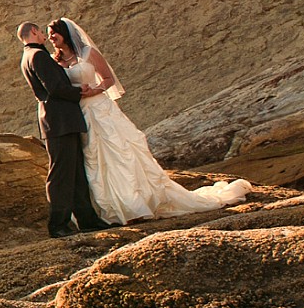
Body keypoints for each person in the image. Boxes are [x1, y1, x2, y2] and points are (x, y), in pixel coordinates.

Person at [45, 18, 250, 223]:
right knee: (93, 158)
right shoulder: (55, 61)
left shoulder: (89, 53)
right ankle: (104, 207)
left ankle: (134, 203)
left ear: (66, 33)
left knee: (118, 152)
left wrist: (94, 92)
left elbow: (108, 79)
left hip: (99, 109)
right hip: (78, 113)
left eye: (54, 33)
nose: (51, 38)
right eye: (49, 34)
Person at [16, 21, 113, 237]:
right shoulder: (38, 56)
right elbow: (55, 88)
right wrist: (79, 90)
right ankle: (58, 224)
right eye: (41, 32)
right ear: (34, 32)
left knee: (76, 171)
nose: (44, 35)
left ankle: (87, 219)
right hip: (58, 120)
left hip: (61, 120)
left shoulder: (30, 56)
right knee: (60, 174)